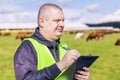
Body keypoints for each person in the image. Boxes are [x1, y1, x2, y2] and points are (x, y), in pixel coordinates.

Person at [14, 3, 90, 80]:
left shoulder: (63, 46)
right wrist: (60, 65)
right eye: (57, 20)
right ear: (42, 22)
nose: (62, 24)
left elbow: (65, 77)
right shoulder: (28, 47)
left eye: (62, 20)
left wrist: (80, 76)